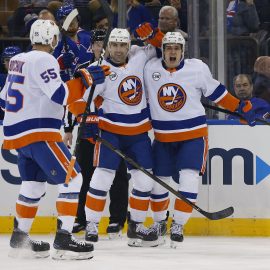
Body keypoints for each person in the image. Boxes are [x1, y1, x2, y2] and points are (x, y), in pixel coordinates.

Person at [0, 19, 110, 260]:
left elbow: (3, 99)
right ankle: (64, 239)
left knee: (32, 184)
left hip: (17, 136)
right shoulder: (45, 59)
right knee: (73, 178)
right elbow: (61, 95)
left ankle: (20, 239)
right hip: (39, 133)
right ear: (52, 40)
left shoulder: (19, 59)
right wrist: (84, 79)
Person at [142, 31, 260, 248]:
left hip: (193, 136)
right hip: (162, 138)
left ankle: (178, 224)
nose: (172, 52)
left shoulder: (197, 68)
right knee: (159, 183)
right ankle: (159, 224)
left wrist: (240, 108)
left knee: (189, 178)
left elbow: (218, 93)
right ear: (163, 50)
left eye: (176, 48)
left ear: (183, 51)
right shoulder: (150, 68)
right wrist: (153, 36)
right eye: (168, 48)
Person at [67, 27, 164, 247]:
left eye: (122, 45)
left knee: (145, 180)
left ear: (128, 46)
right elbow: (77, 99)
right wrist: (87, 118)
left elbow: (163, 50)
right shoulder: (98, 69)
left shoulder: (140, 55)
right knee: (102, 177)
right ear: (108, 46)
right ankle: (91, 224)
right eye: (114, 45)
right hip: (111, 133)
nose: (118, 50)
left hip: (139, 133)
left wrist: (153, 35)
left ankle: (136, 225)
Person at [65, 29, 130, 239]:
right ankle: (82, 219)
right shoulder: (84, 70)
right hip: (88, 131)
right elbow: (72, 100)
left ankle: (117, 220)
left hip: (112, 130)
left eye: (104, 43)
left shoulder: (120, 69)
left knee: (118, 175)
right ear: (91, 47)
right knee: (85, 176)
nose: (100, 47)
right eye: (97, 44)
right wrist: (69, 128)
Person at [53, 4, 94, 82]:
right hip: (67, 88)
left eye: (73, 18)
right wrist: (59, 64)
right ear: (60, 23)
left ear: (78, 20)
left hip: (90, 86)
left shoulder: (88, 37)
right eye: (66, 19)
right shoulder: (56, 43)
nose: (70, 22)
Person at [0, 46, 22, 121]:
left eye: (13, 60)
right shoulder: (1, 78)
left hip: (22, 121)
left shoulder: (28, 78)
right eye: (7, 60)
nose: (10, 63)